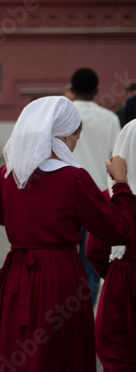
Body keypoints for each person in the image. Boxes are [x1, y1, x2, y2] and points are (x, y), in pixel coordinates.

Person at [0, 96, 136, 372]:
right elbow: (119, 230)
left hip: (17, 273)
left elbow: (1, 217)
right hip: (59, 275)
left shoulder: (8, 173)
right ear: (64, 136)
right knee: (58, 353)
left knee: (15, 349)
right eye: (75, 137)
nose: (75, 144)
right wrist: (121, 184)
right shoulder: (73, 178)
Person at [86, 120, 136, 371]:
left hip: (123, 284)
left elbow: (93, 251)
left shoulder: (112, 198)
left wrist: (117, 272)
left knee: (120, 355)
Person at [70, 67, 121, 304]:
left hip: (67, 198)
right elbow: (117, 159)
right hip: (99, 198)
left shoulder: (64, 116)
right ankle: (86, 313)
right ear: (97, 91)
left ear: (71, 89)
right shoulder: (110, 118)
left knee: (65, 258)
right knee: (91, 260)